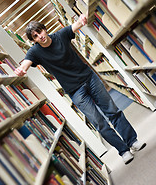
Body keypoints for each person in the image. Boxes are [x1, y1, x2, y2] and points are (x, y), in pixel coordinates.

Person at [14, 14, 146, 164]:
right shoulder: (35, 52)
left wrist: (82, 20)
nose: (40, 37)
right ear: (33, 41)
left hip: (90, 78)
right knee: (98, 122)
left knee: (112, 111)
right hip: (75, 91)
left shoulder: (60, 35)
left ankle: (132, 141)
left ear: (45, 29)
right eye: (35, 36)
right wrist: (21, 69)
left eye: (40, 32)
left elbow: (75, 25)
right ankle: (123, 151)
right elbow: (26, 62)